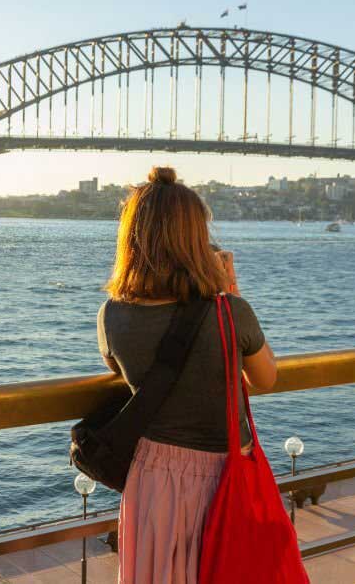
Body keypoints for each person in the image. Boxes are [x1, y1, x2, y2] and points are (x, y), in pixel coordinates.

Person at [97, 166, 279, 584]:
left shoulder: (112, 315)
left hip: (153, 480)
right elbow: (265, 380)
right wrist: (230, 292)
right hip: (225, 481)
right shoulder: (231, 313)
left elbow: (116, 367)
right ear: (197, 240)